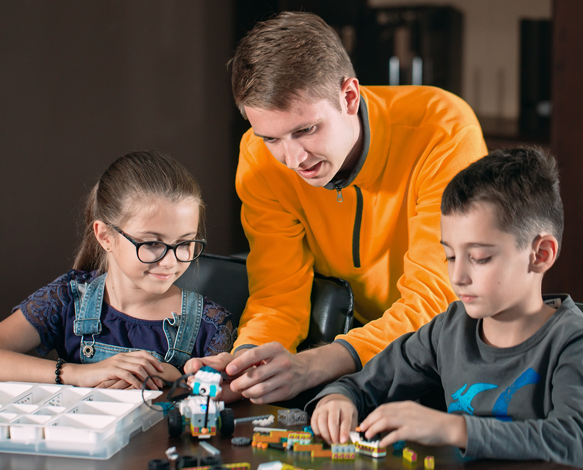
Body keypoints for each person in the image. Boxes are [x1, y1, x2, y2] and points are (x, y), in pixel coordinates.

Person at [186, 11, 487, 403]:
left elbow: (437, 298)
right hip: (346, 356)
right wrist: (246, 364)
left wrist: (316, 364)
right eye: (271, 138)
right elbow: (277, 295)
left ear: (349, 96)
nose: (293, 159)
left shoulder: (443, 130)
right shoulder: (260, 161)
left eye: (305, 130)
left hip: (447, 355)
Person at [308, 147, 583, 466]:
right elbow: (362, 384)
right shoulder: (449, 330)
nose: (458, 276)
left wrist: (455, 428)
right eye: (450, 256)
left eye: (480, 258)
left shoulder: (572, 341)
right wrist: (337, 399)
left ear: (541, 254)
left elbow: (572, 439)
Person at [0, 151, 236, 390]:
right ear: (105, 236)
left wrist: (180, 383)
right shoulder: (67, 299)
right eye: (151, 243)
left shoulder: (211, 325)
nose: (171, 261)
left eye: (185, 243)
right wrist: (76, 374)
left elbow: (228, 393)